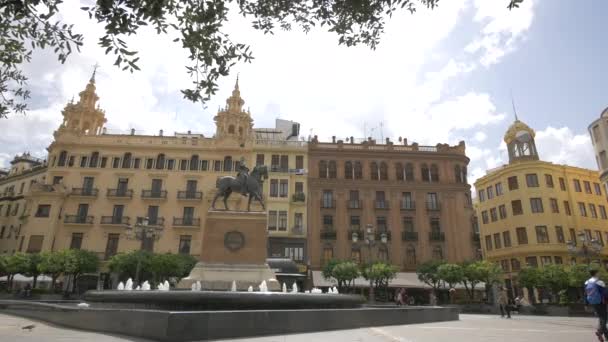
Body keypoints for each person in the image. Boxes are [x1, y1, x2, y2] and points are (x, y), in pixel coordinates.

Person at [585, 269, 608, 341]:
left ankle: (606, 336)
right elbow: (605, 294)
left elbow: (585, 294)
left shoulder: (586, 282)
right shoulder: (600, 282)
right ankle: (600, 331)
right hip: (602, 302)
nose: (600, 274)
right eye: (599, 273)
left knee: (601, 318)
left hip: (593, 302)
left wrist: (586, 304)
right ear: (596, 273)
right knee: (604, 318)